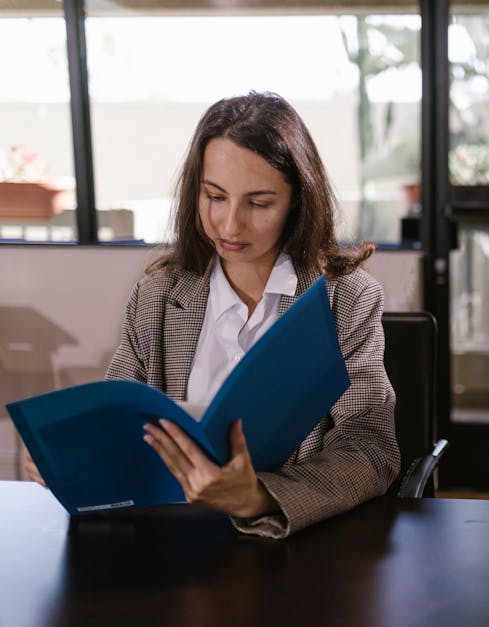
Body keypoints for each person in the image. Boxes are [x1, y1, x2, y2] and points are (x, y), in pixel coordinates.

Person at [24, 91, 399, 539]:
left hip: (295, 553)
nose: (229, 225)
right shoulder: (158, 297)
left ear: (298, 201)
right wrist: (76, 457)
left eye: (258, 204)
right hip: (169, 546)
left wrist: (259, 497)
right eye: (215, 196)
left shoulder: (347, 300)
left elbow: (371, 448)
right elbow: (117, 420)